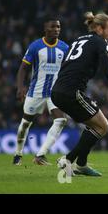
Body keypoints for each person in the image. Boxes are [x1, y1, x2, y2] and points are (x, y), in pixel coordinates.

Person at [51, 12, 108, 176]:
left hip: (58, 90)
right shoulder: (99, 42)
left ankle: (81, 164)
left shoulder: (79, 39)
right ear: (99, 28)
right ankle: (68, 160)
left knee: (93, 126)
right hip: (70, 92)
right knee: (103, 126)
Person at [13, 18, 69, 166]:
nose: (57, 29)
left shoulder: (64, 48)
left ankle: (40, 155)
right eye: (53, 27)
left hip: (54, 93)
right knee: (25, 124)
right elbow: (23, 68)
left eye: (58, 27)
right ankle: (18, 154)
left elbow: (69, 70)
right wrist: (20, 87)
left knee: (61, 120)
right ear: (46, 28)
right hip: (35, 92)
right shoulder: (35, 46)